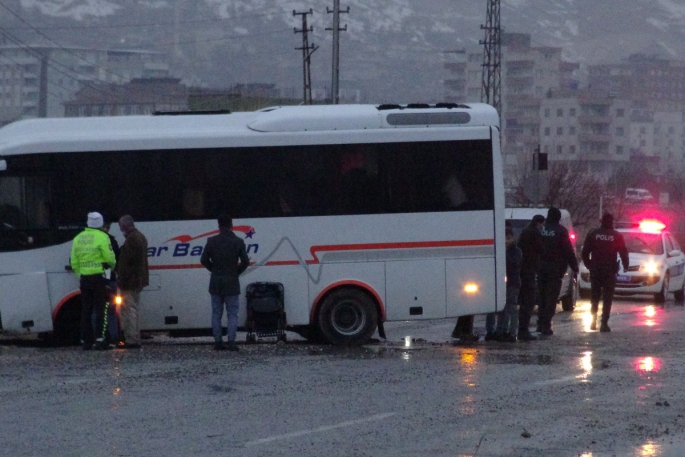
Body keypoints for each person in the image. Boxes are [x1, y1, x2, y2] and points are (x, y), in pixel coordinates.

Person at [200, 214, 250, 351]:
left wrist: (214, 270)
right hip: (232, 283)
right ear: (231, 225)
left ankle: (218, 341)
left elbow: (203, 259)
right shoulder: (238, 241)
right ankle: (232, 341)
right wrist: (236, 272)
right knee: (232, 313)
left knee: (216, 313)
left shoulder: (212, 241)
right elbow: (246, 261)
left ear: (219, 226)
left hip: (216, 282)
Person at [70, 212, 116, 350]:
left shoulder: (78, 238)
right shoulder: (103, 237)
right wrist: (111, 268)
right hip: (99, 278)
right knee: (101, 308)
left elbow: (74, 261)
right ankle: (101, 339)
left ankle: (86, 340)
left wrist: (80, 274)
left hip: (85, 278)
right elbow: (109, 258)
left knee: (86, 309)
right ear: (101, 223)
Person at [581, 213, 629, 332]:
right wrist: (626, 265)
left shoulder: (593, 234)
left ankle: (593, 321)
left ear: (601, 221)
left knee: (594, 296)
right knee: (607, 298)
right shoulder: (616, 235)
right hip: (609, 271)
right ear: (612, 222)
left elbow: (585, 252)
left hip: (596, 270)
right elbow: (623, 252)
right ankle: (604, 323)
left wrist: (589, 265)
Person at [537, 207, 579, 336]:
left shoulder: (541, 230)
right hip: (555, 269)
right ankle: (546, 325)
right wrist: (574, 267)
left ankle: (540, 323)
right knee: (551, 298)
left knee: (542, 297)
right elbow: (568, 251)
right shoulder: (561, 231)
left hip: (540, 268)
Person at [485, 227, 522, 342]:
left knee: (510, 308)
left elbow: (513, 264)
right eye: (504, 238)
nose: (506, 241)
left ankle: (510, 333)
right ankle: (495, 331)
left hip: (512, 283)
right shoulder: (500, 250)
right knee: (497, 308)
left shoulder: (516, 251)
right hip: (500, 282)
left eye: (508, 238)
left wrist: (504, 253)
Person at [117, 215, 149, 349]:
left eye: (120, 225)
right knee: (133, 309)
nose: (119, 227)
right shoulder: (139, 236)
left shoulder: (132, 239)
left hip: (130, 281)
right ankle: (134, 337)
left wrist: (121, 279)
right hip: (138, 280)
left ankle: (132, 339)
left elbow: (127, 264)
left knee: (128, 310)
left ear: (125, 225)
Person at [517, 214, 545, 341]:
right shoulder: (534, 234)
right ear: (539, 223)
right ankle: (523, 330)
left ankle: (521, 329)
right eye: (542, 225)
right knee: (529, 301)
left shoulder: (524, 232)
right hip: (529, 271)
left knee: (524, 300)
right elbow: (542, 250)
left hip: (522, 270)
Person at [100, 220, 121, 347]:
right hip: (111, 279)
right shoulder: (112, 241)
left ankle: (99, 337)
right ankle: (113, 338)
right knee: (111, 311)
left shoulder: (93, 240)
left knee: (97, 311)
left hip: (96, 279)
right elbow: (115, 260)